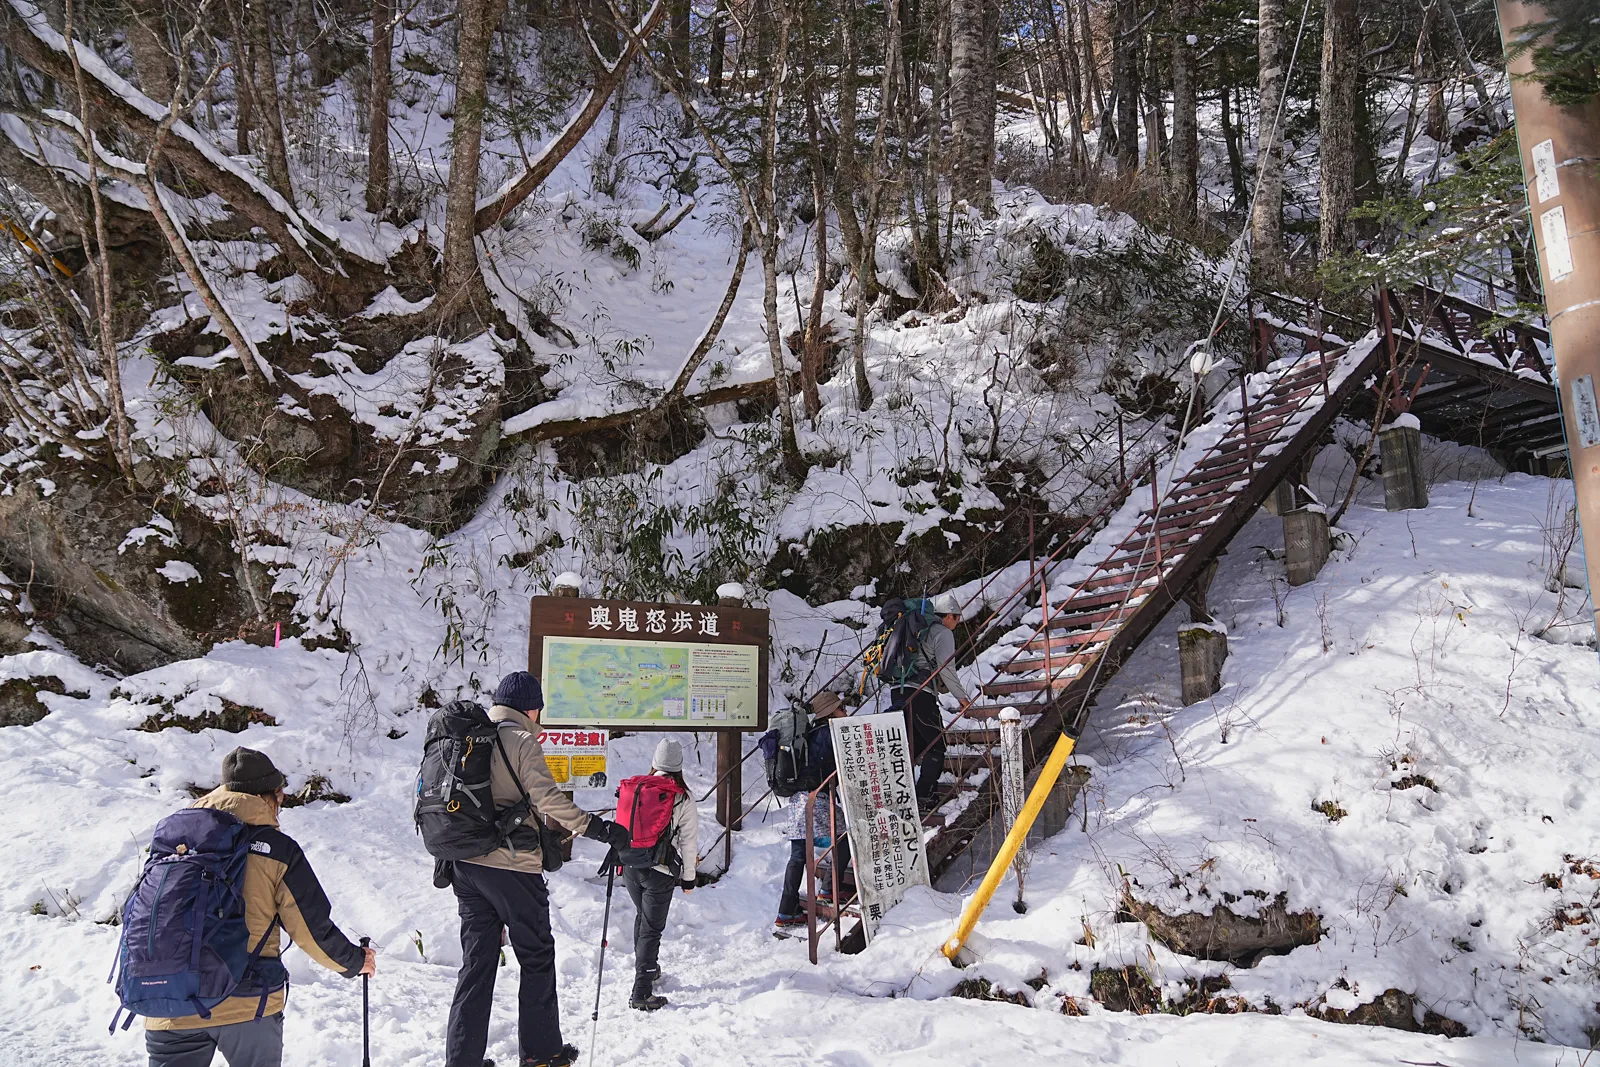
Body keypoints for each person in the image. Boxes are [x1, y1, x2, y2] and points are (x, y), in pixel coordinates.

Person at [145, 747, 375, 1067]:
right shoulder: (276, 849)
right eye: (280, 796)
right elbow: (310, 928)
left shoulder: (175, 841)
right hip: (247, 999)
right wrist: (354, 961)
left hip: (170, 998)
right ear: (269, 796)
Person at [445, 671, 630, 1067]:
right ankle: (541, 1054)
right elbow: (548, 798)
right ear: (531, 708)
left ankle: (462, 1061)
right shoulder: (521, 739)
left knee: (476, 965)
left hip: (463, 866)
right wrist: (597, 828)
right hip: (511, 865)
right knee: (536, 955)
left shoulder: (466, 736)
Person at [622, 739, 699, 1012]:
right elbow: (689, 843)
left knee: (643, 919)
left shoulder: (637, 787)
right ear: (678, 766)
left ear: (655, 762)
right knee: (651, 930)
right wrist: (688, 878)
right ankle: (641, 991)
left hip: (630, 867)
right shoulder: (681, 797)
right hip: (659, 871)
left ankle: (648, 970)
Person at [767, 691, 849, 931]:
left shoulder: (808, 733)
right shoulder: (827, 734)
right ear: (831, 712)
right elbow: (834, 769)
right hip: (816, 799)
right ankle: (829, 889)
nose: (845, 712)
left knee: (798, 856)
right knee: (843, 837)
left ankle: (786, 909)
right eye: (841, 708)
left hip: (798, 799)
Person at [892, 592, 972, 807]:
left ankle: (897, 792)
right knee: (937, 743)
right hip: (920, 693)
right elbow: (947, 669)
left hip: (898, 689)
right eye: (957, 618)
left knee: (915, 744)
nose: (957, 624)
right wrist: (962, 698)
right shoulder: (942, 633)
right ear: (949, 616)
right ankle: (924, 795)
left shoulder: (916, 628)